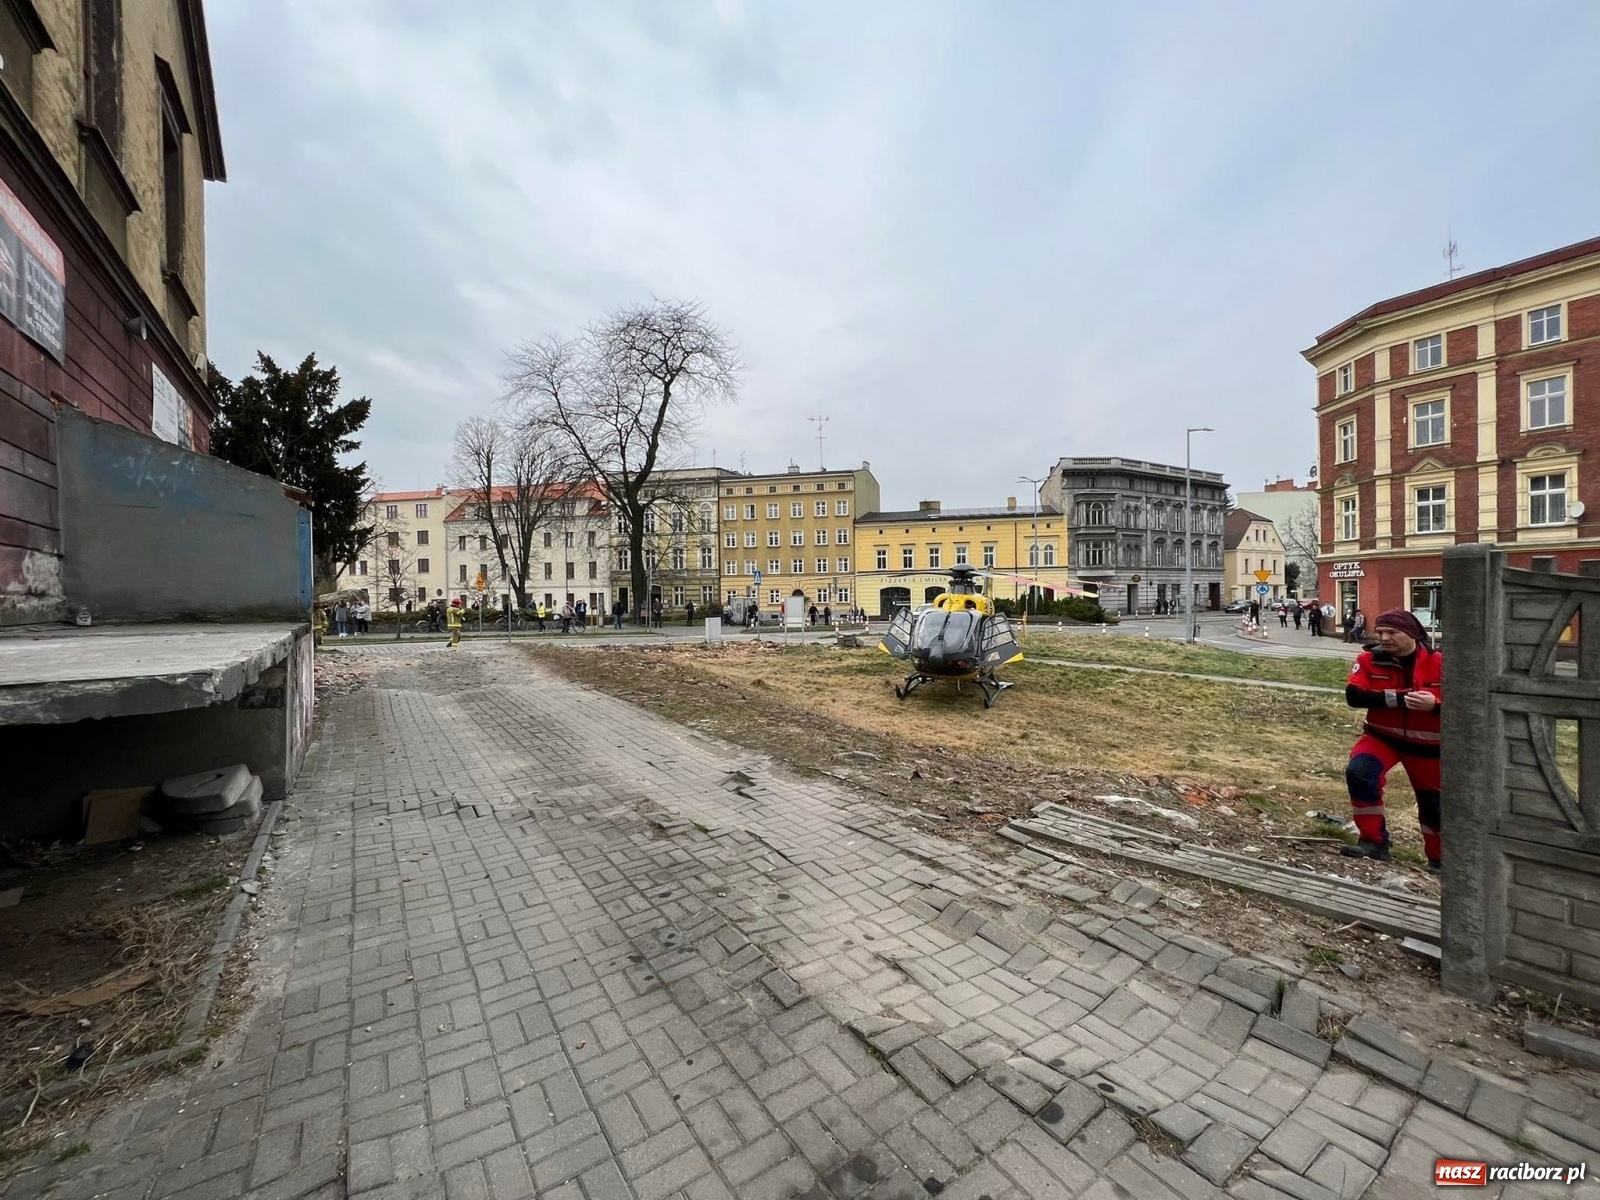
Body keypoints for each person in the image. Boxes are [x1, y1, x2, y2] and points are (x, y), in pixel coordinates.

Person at [1340, 609, 1442, 871]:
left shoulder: (1442, 662)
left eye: (1392, 632)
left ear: (1412, 634)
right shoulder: (1367, 659)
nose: (1384, 637)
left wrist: (1435, 704)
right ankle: (1373, 842)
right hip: (1381, 738)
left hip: (1430, 747)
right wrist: (1400, 698)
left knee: (1435, 804)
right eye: (1381, 631)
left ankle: (1440, 859)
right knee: (1360, 773)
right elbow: (1354, 696)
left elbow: (1471, 704)